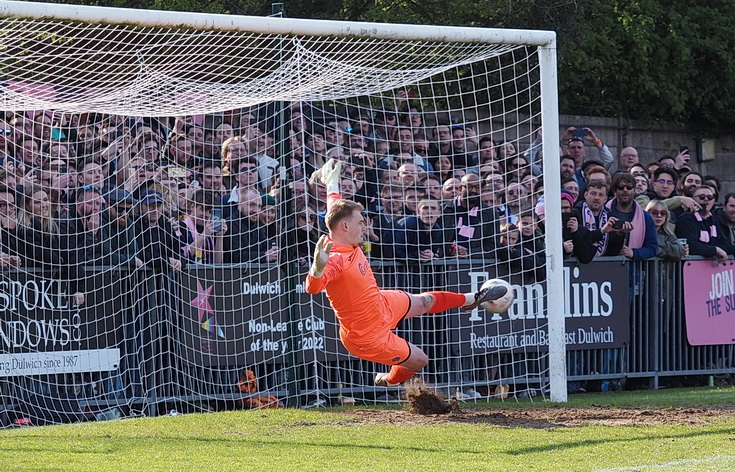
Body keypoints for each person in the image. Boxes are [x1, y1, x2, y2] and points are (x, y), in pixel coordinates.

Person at [304, 159, 504, 387]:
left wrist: (331, 182)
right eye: (361, 223)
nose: (365, 227)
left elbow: (334, 205)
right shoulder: (335, 258)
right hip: (367, 336)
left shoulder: (339, 225)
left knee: (425, 301)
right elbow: (312, 287)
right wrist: (317, 268)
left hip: (380, 302)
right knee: (419, 360)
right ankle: (388, 380)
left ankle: (472, 299)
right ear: (345, 227)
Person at [675, 185, 733, 262]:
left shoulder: (715, 219)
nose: (706, 199)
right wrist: (715, 250)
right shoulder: (686, 219)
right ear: (693, 199)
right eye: (702, 197)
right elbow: (692, 246)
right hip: (689, 268)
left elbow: (725, 243)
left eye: (710, 197)